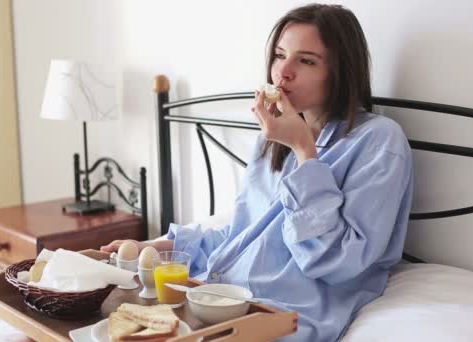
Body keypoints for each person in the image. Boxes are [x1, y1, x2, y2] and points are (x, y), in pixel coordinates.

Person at [101, 4, 413, 341]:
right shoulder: (274, 138)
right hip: (215, 298)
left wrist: (305, 152)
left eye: (306, 60)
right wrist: (160, 247)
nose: (284, 72)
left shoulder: (379, 141)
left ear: (340, 71)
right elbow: (241, 233)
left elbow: (337, 262)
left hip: (279, 315)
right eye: (280, 55)